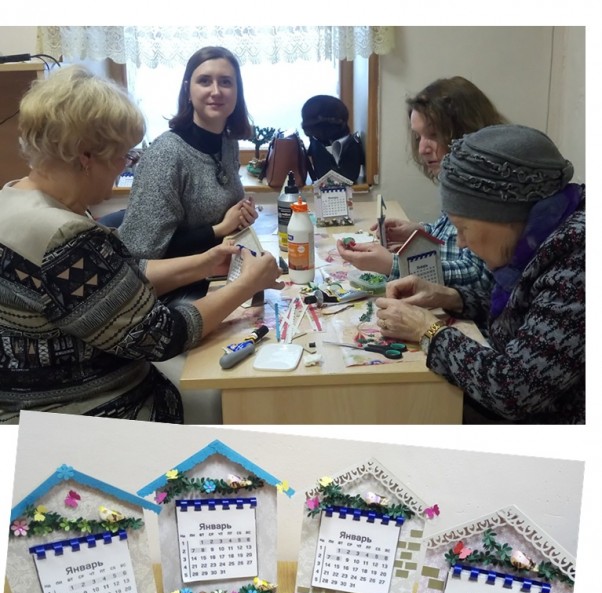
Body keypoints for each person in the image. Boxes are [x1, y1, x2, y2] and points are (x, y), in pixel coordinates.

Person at [0, 65, 281, 424]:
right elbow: (162, 335)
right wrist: (246, 285)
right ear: (86, 156)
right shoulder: (65, 239)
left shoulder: (13, 198)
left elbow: (115, 280)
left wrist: (206, 263)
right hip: (86, 416)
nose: (126, 167)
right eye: (124, 155)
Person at [373, 124, 585, 425]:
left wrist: (427, 330)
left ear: (506, 217)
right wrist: (451, 297)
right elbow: (527, 315)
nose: (460, 242)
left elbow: (514, 390)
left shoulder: (578, 259)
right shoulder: (542, 236)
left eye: (463, 228)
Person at [336, 76, 508, 289]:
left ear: (467, 131)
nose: (422, 149)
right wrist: (421, 232)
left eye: (434, 135)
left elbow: (478, 276)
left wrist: (394, 265)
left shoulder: (490, 187)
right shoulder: (460, 179)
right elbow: (454, 238)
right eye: (418, 137)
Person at [118, 46, 258, 301]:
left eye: (226, 82)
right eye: (204, 81)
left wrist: (241, 215)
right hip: (173, 292)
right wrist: (219, 229)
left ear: (237, 92)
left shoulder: (228, 143)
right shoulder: (166, 155)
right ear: (188, 90)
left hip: (218, 272)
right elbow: (139, 256)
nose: (216, 91)